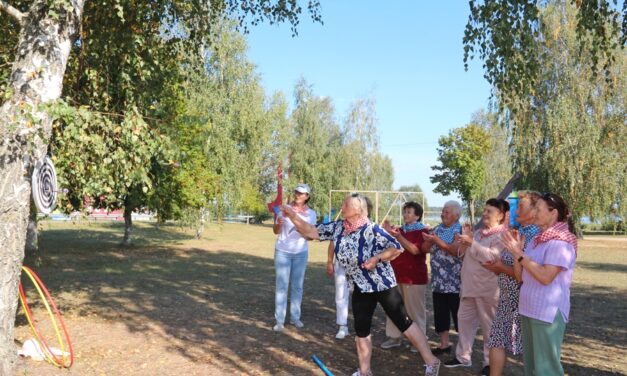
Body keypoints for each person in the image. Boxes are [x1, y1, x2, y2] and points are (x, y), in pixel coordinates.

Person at [283, 193, 441, 376]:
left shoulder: (372, 229)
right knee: (362, 329)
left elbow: (396, 248)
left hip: (382, 284)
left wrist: (377, 258)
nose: (342, 207)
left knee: (403, 322)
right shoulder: (338, 228)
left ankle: (432, 361)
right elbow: (311, 230)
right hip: (359, 286)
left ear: (358, 210)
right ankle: (365, 372)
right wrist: (293, 216)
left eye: (346, 205)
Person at [501, 193, 577, 376]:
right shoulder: (537, 240)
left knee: (546, 370)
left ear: (553, 213)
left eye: (538, 209)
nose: (533, 212)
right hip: (529, 309)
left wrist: (520, 255)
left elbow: (545, 277)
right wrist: (516, 254)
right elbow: (521, 278)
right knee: (532, 369)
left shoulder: (561, 242)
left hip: (547, 313)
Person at [444, 198, 509, 376]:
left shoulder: (503, 235)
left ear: (501, 215)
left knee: (489, 328)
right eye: (485, 210)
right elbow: (462, 254)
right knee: (464, 322)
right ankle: (463, 356)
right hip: (469, 286)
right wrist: (464, 241)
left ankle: (490, 363)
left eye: (490, 211)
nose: (485, 214)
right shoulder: (480, 233)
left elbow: (492, 258)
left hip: (488, 289)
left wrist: (472, 243)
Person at [483, 191, 541, 376]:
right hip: (508, 299)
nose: (515, 209)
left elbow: (523, 275)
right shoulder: (520, 232)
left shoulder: (534, 237)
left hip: (523, 300)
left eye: (521, 206)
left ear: (534, 211)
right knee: (497, 340)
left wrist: (501, 266)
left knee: (531, 348)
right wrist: (498, 265)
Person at [380, 201, 429, 351]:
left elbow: (416, 250)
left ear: (417, 215)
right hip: (396, 275)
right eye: (405, 211)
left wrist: (399, 237)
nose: (406, 214)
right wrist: (386, 233)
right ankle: (394, 337)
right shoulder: (400, 230)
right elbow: (389, 248)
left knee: (415, 310)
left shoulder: (424, 231)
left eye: (409, 212)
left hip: (414, 278)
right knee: (394, 308)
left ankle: (419, 340)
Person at [272, 183, 317, 332]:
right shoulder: (284, 209)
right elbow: (275, 230)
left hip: (300, 253)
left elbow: (311, 236)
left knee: (297, 287)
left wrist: (302, 229)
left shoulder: (311, 214)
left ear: (307, 197)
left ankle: (295, 318)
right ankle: (279, 321)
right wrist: (278, 223)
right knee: (282, 286)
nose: (298, 195)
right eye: (297, 192)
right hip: (282, 252)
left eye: (302, 193)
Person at [421, 201, 463, 356]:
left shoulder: (460, 231)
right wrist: (427, 240)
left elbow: (454, 250)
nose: (443, 214)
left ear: (457, 215)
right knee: (440, 314)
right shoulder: (437, 229)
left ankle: (463, 348)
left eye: (447, 212)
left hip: (456, 283)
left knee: (459, 316)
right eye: (443, 211)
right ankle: (444, 344)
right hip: (438, 282)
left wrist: (436, 240)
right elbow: (424, 250)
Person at [327, 240, 350, 339]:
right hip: (341, 264)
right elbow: (332, 243)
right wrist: (329, 262)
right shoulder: (338, 226)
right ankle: (342, 326)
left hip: (361, 265)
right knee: (341, 295)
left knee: (362, 297)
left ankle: (362, 328)